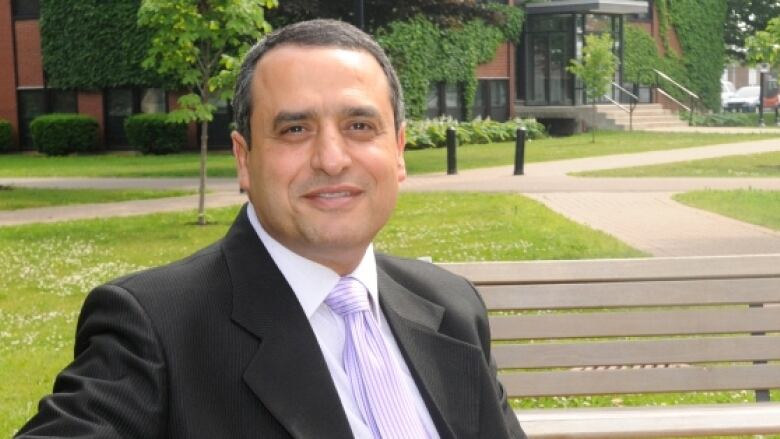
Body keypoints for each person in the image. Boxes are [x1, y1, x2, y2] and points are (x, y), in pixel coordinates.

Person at [16, 19, 525, 439]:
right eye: (295, 129)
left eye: (360, 126)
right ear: (244, 159)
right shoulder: (155, 327)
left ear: (398, 151)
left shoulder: (452, 307)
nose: (331, 159)